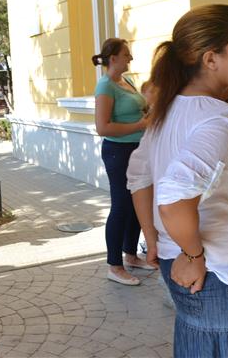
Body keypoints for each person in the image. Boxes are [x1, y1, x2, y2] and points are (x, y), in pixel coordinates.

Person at [126, 4, 228, 357]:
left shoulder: (167, 112)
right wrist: (192, 253)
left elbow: (140, 176)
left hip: (201, 267)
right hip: (222, 274)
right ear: (211, 58)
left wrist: (155, 240)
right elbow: (171, 194)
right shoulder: (218, 120)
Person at [92, 38, 153, 286]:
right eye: (126, 54)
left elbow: (138, 110)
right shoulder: (105, 86)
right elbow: (102, 127)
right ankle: (114, 265)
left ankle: (131, 255)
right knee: (121, 205)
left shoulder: (125, 81)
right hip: (119, 152)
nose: (131, 58)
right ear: (113, 58)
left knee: (137, 202)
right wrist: (139, 125)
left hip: (138, 150)